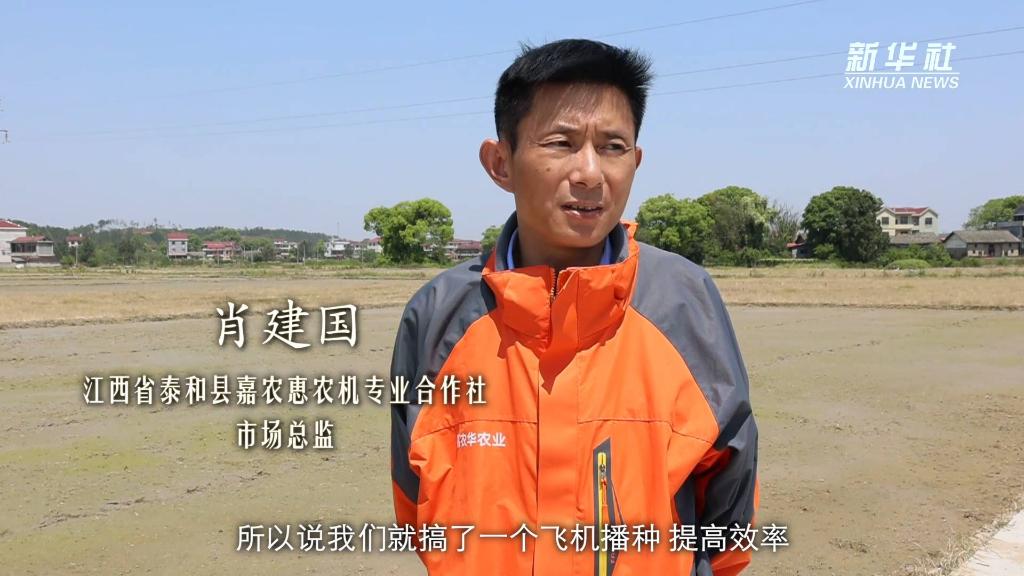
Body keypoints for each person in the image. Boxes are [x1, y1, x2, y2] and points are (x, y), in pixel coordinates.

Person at [390, 38, 759, 576]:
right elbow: (415, 501)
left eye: (613, 147)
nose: (589, 172)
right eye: (561, 143)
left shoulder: (684, 301)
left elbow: (728, 498)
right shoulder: (438, 316)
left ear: (636, 161)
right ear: (500, 163)